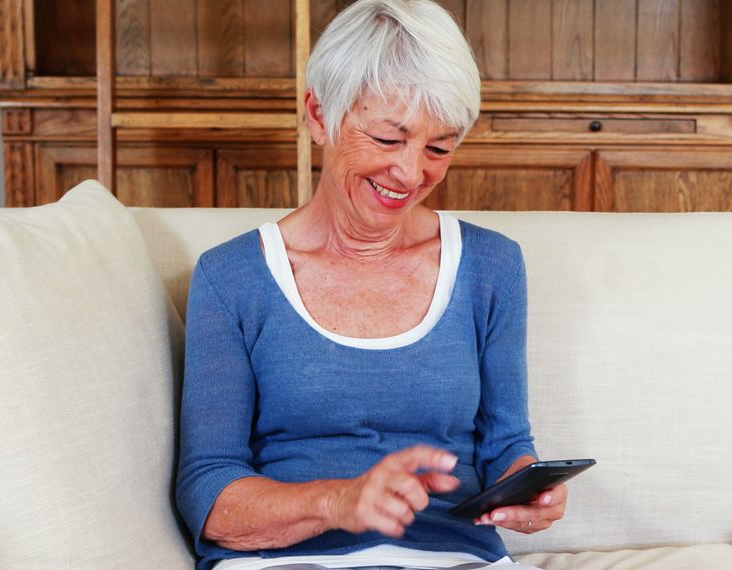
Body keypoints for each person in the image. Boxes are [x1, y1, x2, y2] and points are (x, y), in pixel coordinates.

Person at [175, 2, 566, 568]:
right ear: (318, 114)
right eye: (388, 139)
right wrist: (341, 501)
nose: (411, 175)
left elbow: (508, 445)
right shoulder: (230, 277)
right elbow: (207, 493)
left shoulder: (492, 266)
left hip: (453, 558)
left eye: (439, 147)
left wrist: (526, 490)